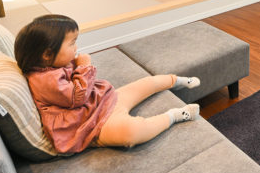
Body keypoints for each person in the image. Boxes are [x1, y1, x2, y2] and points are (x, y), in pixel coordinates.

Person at [15, 14, 201, 154]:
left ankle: (177, 81)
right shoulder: (44, 80)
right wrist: (84, 66)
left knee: (145, 84)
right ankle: (174, 116)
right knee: (132, 133)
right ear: (47, 54)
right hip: (90, 125)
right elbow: (78, 97)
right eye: (72, 44)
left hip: (100, 103)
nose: (76, 48)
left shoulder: (52, 64)